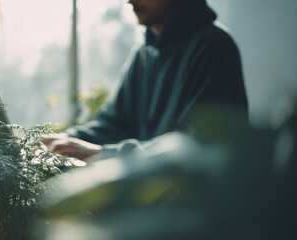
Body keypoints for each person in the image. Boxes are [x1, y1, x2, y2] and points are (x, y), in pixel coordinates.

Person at [43, 0, 248, 160]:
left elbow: (193, 149)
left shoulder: (215, 48)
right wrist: (62, 141)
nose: (129, 1)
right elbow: (115, 124)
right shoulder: (143, 54)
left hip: (198, 210)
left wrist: (100, 155)